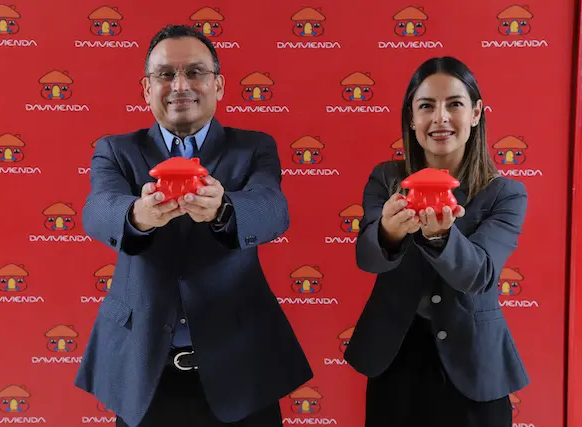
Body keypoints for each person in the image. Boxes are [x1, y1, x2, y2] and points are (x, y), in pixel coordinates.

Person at [74, 24, 313, 427]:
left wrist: (223, 210)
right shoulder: (116, 150)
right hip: (145, 370)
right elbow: (98, 209)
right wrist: (138, 216)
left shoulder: (254, 147)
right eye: (165, 74)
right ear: (147, 89)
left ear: (218, 85)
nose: (180, 85)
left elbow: (272, 209)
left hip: (241, 368)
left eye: (195, 72)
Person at [343, 56, 529, 427]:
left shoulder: (505, 193)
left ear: (476, 113)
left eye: (455, 104)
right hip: (394, 356)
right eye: (426, 106)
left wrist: (441, 236)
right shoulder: (386, 179)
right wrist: (389, 233)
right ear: (412, 118)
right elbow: (367, 257)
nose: (440, 118)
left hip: (476, 362)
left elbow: (480, 275)